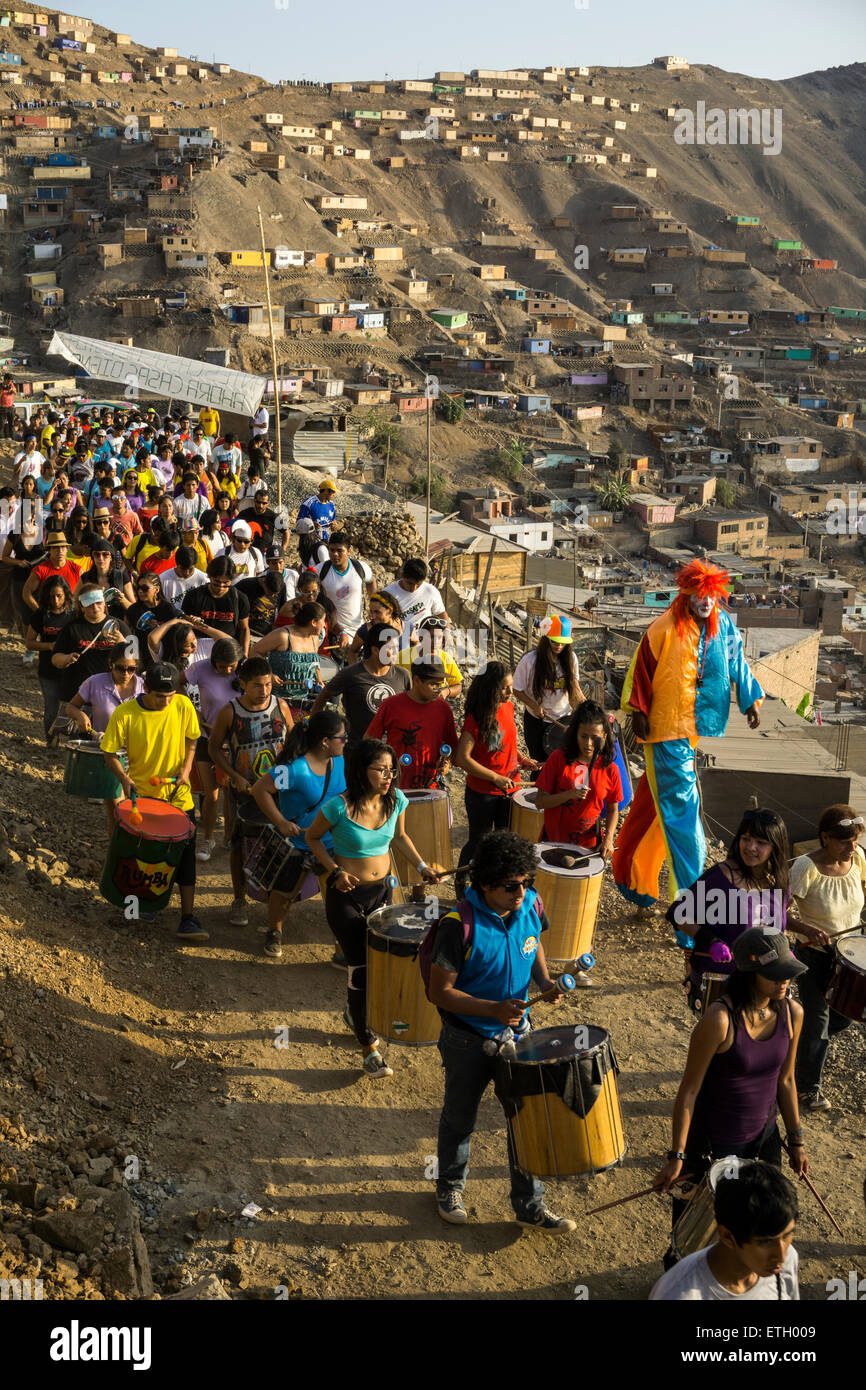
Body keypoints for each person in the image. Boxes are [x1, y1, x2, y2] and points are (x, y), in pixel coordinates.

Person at [428, 828, 576, 1231]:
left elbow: (534, 941)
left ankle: (529, 1204)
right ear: (485, 884)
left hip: (518, 1032)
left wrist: (543, 981)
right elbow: (439, 991)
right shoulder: (457, 925)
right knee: (460, 1116)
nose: (522, 893)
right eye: (512, 886)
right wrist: (492, 1009)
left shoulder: (529, 903)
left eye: (527, 882)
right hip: (467, 1038)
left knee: (525, 1118)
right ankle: (448, 1186)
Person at [652, 928, 807, 1267]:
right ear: (751, 973)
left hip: (763, 1142)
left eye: (787, 974)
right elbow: (689, 1091)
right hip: (711, 1146)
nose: (784, 983)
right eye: (775, 975)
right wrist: (677, 1156)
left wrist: (795, 1139)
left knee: (754, 1230)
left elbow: (787, 1079)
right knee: (694, 1242)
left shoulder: (792, 1012)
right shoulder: (719, 1020)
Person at [614, 561, 764, 909]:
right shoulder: (663, 627)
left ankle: (635, 880)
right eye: (699, 594)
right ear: (686, 594)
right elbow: (641, 670)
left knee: (655, 808)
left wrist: (749, 700)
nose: (706, 601)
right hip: (664, 731)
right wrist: (637, 710)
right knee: (685, 817)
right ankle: (691, 911)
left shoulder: (723, 627)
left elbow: (737, 663)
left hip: (693, 730)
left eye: (711, 595)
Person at [305, 738, 439, 1077]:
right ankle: (369, 1048)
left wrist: (422, 867)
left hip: (382, 896)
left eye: (391, 769)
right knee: (361, 970)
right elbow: (312, 838)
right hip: (346, 900)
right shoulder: (338, 807)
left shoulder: (397, 800)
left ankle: (355, 1017)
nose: (388, 776)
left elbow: (400, 838)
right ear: (361, 770)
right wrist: (334, 871)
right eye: (380, 769)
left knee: (381, 966)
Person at [101, 661, 207, 942]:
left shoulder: (183, 706)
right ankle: (141, 907)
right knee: (142, 858)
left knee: (185, 858)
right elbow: (109, 753)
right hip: (144, 800)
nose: (166, 701)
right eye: (160, 696)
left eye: (170, 695)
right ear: (145, 688)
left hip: (179, 798)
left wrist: (185, 771)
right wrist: (124, 779)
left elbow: (192, 740)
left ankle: (188, 917)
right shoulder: (125, 713)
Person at [667, 809, 791, 1017]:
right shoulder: (721, 877)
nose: (751, 847)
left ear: (775, 847)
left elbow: (778, 929)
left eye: (760, 842)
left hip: (761, 986)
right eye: (746, 839)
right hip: (721, 982)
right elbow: (677, 913)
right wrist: (711, 941)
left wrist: (784, 954)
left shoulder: (778, 884)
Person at [250, 709, 348, 958]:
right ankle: (274, 930)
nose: (346, 741)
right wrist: (281, 822)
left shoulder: (341, 761)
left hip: (331, 842)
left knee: (338, 896)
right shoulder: (295, 770)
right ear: (325, 742)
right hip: (298, 843)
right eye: (342, 737)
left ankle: (341, 947)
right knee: (284, 894)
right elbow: (260, 790)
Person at [788, 804, 866, 1111]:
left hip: (849, 955)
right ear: (825, 838)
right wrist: (807, 927)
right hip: (814, 955)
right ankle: (807, 1088)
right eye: (844, 841)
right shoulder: (806, 867)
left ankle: (799, 1045)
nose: (852, 847)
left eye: (856, 839)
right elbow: (777, 911)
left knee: (845, 1017)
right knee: (818, 1020)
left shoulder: (858, 858)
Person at [208, 655, 294, 927]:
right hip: (243, 793)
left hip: (280, 792)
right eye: (257, 685)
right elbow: (213, 748)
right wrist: (233, 776)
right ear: (243, 684)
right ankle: (239, 899)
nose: (264, 691)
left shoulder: (281, 705)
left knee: (281, 843)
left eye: (268, 684)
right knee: (239, 846)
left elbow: (292, 740)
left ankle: (276, 900)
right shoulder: (230, 712)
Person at [649, 1160, 800, 1300]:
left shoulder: (788, 1259)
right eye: (766, 1242)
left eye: (787, 1235)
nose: (781, 1256)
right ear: (727, 1236)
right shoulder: (678, 1294)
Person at [455, 662, 541, 864]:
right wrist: (495, 778)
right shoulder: (475, 718)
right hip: (482, 794)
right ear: (489, 688)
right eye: (504, 687)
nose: (511, 691)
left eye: (511, 686)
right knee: (479, 842)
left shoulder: (508, 707)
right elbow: (462, 758)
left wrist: (522, 759)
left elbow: (505, 743)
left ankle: (493, 884)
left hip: (510, 790)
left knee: (504, 842)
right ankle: (462, 881)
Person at [67, 644, 144, 835]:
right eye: (120, 668)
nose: (126, 674)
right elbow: (71, 706)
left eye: (131, 669)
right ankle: (115, 848)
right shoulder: (94, 682)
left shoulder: (144, 687)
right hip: (110, 755)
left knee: (135, 804)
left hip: (138, 755)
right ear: (110, 664)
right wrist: (80, 716)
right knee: (117, 808)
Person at [534, 699, 622, 856]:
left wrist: (608, 839)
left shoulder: (611, 770)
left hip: (588, 849)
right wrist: (570, 794)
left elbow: (613, 810)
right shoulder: (558, 759)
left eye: (594, 737)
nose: (588, 743)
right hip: (552, 843)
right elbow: (540, 802)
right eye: (583, 736)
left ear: (604, 736)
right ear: (575, 734)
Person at [184, 636, 244, 861]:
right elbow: (177, 682)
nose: (228, 670)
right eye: (222, 666)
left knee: (231, 794)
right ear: (213, 661)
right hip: (207, 739)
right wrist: (193, 710)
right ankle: (207, 839)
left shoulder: (243, 671)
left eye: (232, 665)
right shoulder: (200, 668)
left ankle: (229, 838)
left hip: (235, 742)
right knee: (211, 795)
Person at [309, 621, 410, 743]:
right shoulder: (351, 673)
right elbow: (324, 696)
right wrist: (314, 728)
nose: (396, 652)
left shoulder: (403, 675)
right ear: (375, 650)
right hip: (356, 749)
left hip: (390, 750)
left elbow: (411, 708)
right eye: (391, 648)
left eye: (397, 647)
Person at [366, 658, 458, 791]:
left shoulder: (444, 708)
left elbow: (453, 746)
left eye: (441, 685)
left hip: (430, 788)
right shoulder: (391, 705)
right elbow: (369, 741)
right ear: (416, 681)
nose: (438, 690)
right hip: (395, 788)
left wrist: (446, 762)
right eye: (433, 685)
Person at [512, 615, 586, 771]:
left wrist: (585, 706)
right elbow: (516, 689)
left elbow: (574, 686)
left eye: (562, 643)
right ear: (546, 639)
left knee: (563, 766)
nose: (558, 646)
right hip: (536, 723)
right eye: (554, 642)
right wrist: (533, 705)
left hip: (563, 721)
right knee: (540, 767)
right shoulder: (530, 660)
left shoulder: (571, 658)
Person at [24, 575, 76, 743]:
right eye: (51, 596)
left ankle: (74, 745)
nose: (55, 600)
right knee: (51, 710)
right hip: (47, 671)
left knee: (72, 709)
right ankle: (51, 743)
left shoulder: (74, 614)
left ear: (66, 595)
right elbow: (29, 643)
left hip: (71, 671)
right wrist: (49, 646)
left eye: (59, 596)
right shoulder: (40, 614)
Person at [251, 600, 325, 715]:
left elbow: (314, 664)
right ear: (313, 622)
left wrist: (319, 680)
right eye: (323, 621)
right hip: (275, 701)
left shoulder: (314, 638)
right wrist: (268, 674)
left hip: (301, 701)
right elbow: (254, 651)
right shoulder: (283, 635)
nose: (324, 624)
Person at [314, 534, 373, 645]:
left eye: (340, 551)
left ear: (349, 551)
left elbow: (371, 582)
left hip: (358, 629)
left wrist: (373, 603)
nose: (335, 554)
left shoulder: (360, 568)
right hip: (334, 631)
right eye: (331, 550)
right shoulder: (320, 571)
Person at [181, 556, 250, 650]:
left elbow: (244, 629)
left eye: (226, 583)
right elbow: (184, 626)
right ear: (209, 576)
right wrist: (191, 621)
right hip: (199, 647)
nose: (221, 586)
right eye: (216, 582)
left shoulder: (240, 598)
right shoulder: (193, 596)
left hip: (227, 648)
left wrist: (244, 654)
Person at [384, 558, 448, 643]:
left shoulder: (430, 591)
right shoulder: (388, 594)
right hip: (401, 643)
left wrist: (447, 632)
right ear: (402, 575)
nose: (413, 588)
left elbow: (441, 614)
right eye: (410, 583)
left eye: (418, 584)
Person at [21, 531, 80, 613]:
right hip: (48, 613)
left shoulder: (77, 569)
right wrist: (39, 612)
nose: (60, 551)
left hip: (70, 614)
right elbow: (26, 593)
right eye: (55, 548)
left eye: (63, 547)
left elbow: (84, 592)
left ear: (67, 549)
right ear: (49, 550)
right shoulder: (40, 570)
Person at [348, 590, 402, 660]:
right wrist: (355, 669)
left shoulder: (405, 627)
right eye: (371, 612)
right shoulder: (365, 630)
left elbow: (416, 647)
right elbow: (352, 652)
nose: (373, 616)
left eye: (377, 612)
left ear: (389, 612)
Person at [236, 569, 286, 639]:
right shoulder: (246, 585)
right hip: (246, 633)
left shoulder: (282, 586)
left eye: (275, 594)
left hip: (267, 634)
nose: (273, 596)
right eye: (270, 592)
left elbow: (283, 609)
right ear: (263, 581)